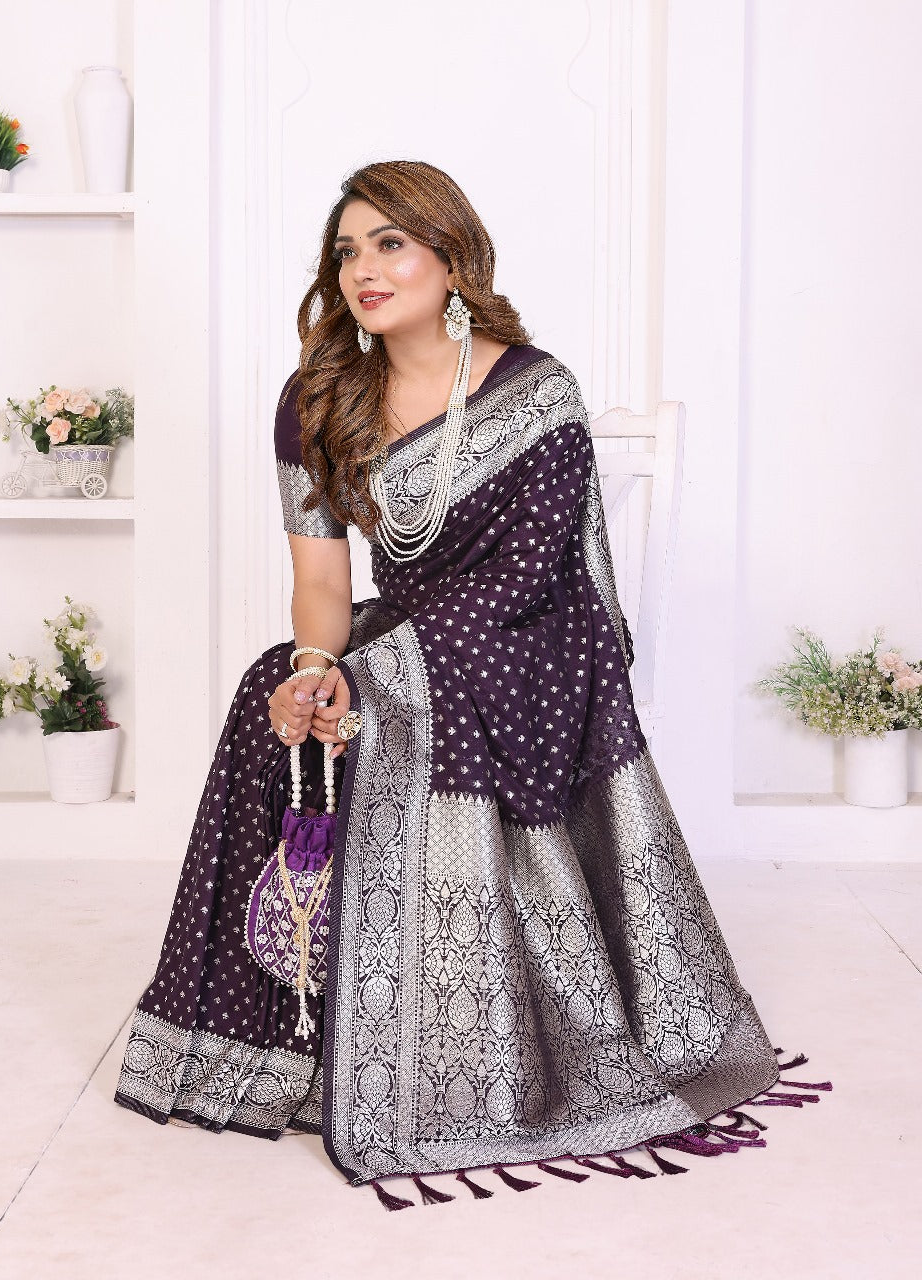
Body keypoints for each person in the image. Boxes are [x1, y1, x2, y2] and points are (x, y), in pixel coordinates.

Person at [114, 160, 828, 1209]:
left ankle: (465, 1041)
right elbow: (323, 584)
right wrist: (318, 667)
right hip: (406, 634)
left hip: (532, 643)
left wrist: (379, 677)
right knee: (278, 692)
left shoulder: (537, 391)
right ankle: (292, 1042)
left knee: (387, 703)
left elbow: (532, 576)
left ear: (452, 258)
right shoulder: (317, 401)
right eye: (347, 251)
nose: (364, 269)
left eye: (390, 243)